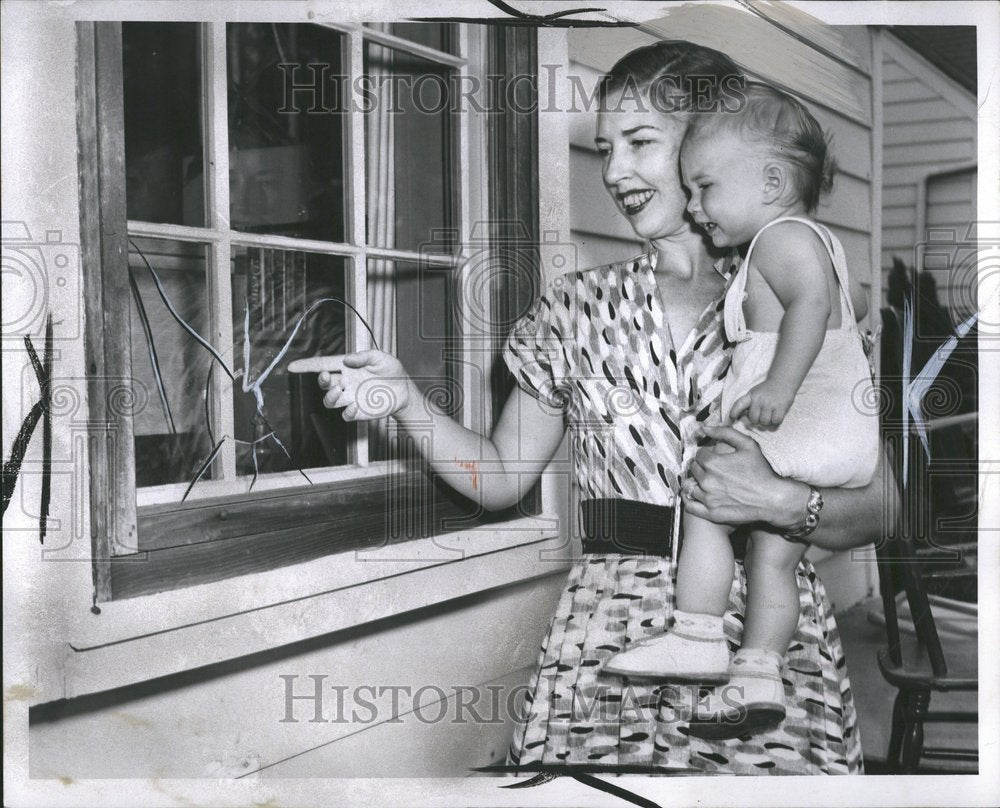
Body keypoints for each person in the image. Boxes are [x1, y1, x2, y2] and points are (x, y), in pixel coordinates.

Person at [317, 41, 894, 775]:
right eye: (605, 149)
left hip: (763, 647)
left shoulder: (806, 302)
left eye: (640, 143)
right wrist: (401, 398)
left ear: (708, 140)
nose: (615, 171)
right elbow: (498, 477)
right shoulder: (574, 309)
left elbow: (884, 508)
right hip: (609, 640)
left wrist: (787, 504)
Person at [601, 83, 880, 740]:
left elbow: (811, 306)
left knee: (706, 493)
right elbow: (844, 303)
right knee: (773, 559)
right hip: (835, 442)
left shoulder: (780, 240)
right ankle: (757, 672)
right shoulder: (811, 240)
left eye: (705, 188)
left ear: (774, 180)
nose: (697, 207)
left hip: (800, 426)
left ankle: (696, 632)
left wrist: (781, 384)